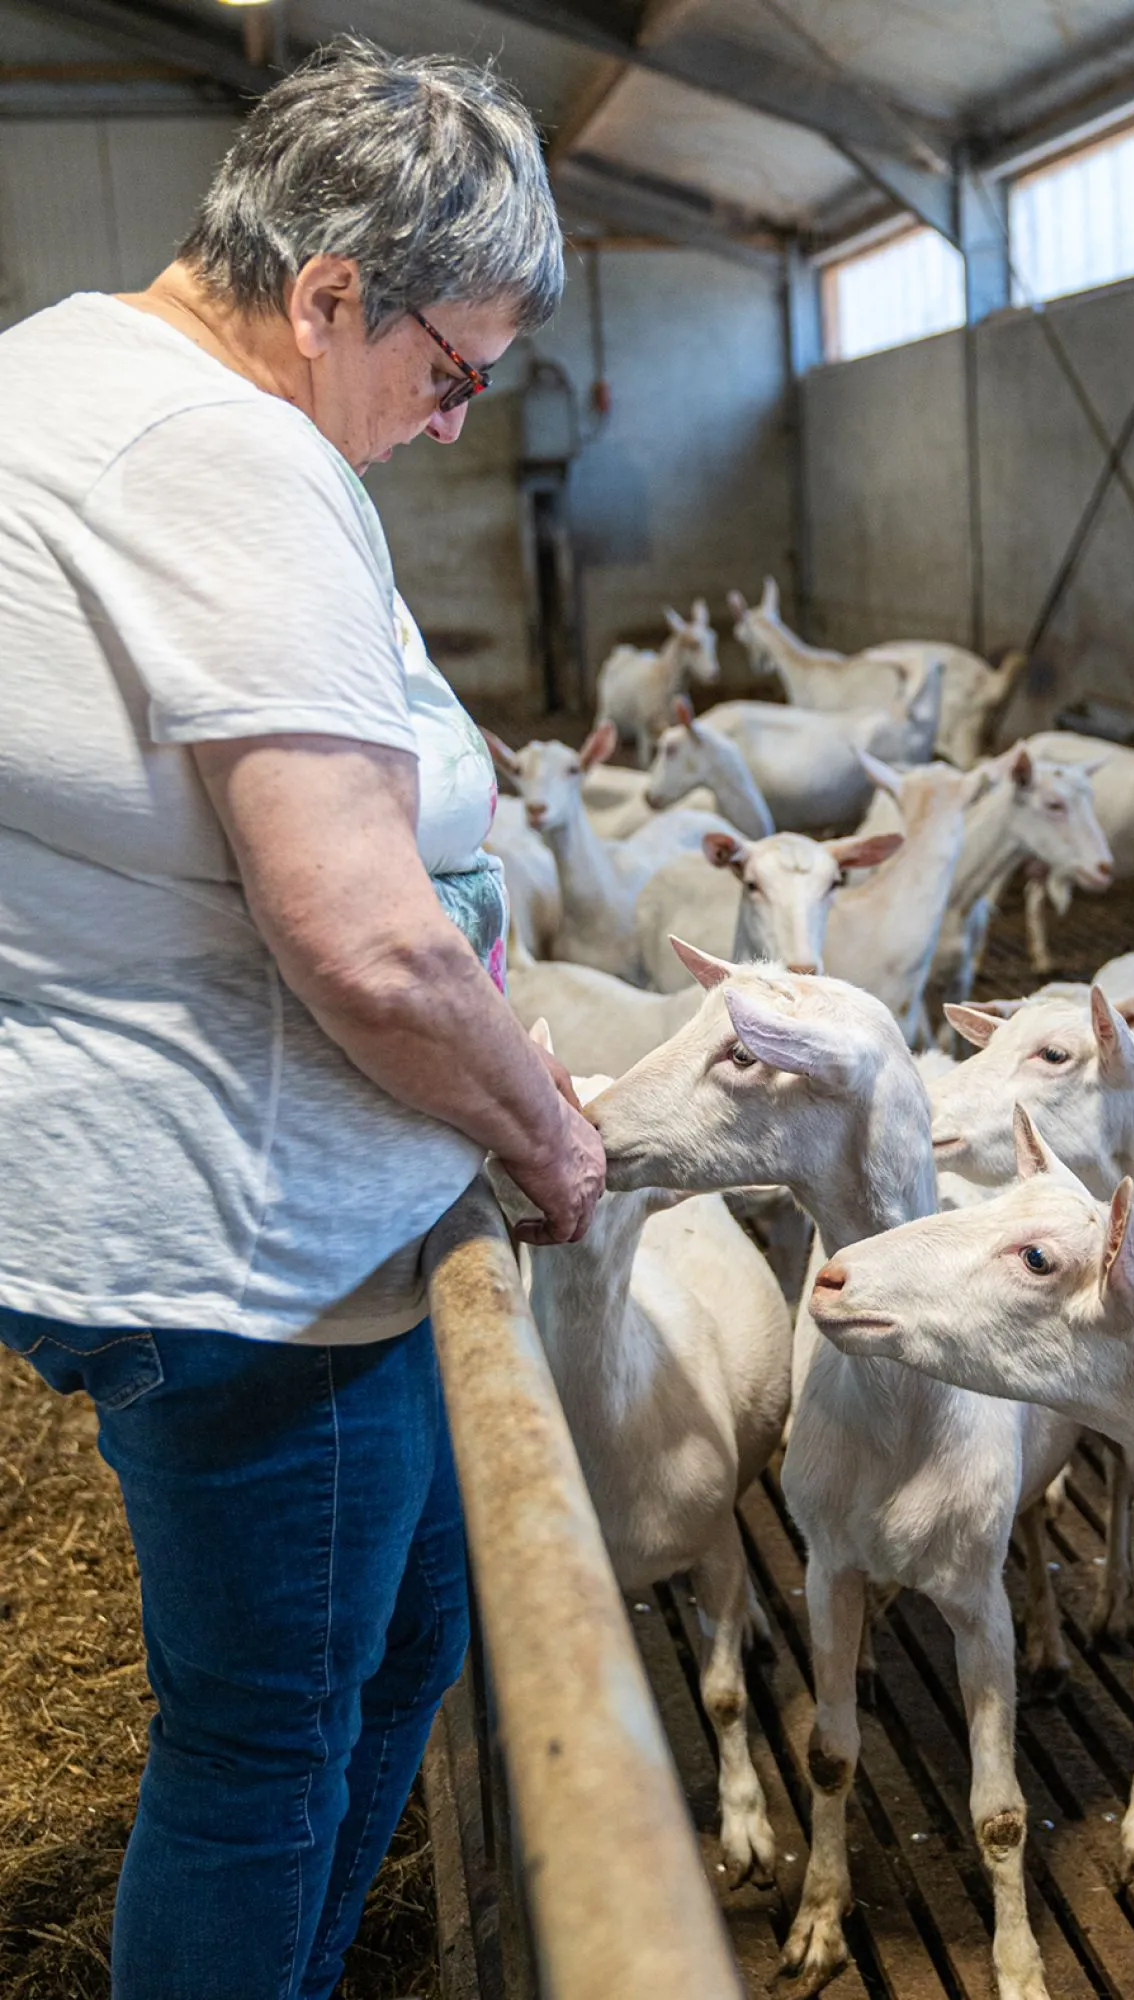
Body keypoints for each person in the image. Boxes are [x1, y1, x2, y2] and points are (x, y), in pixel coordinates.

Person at [0, 38, 604, 2000]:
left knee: (402, 1626)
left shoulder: (61, 371)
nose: (452, 427)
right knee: (264, 1738)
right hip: (252, 1234)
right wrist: (539, 1125)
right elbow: (369, 944)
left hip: (185, 1187)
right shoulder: (219, 452)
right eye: (450, 372)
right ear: (330, 291)